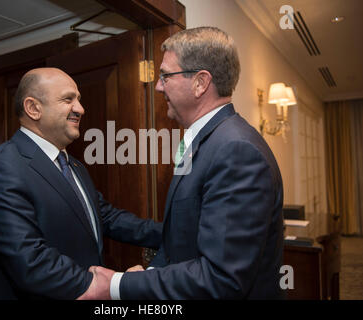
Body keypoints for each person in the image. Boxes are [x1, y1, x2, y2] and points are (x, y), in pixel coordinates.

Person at [81, 26, 285, 299]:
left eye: (165, 75)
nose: (158, 86)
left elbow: (221, 278)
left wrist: (116, 286)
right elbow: (182, 239)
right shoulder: (209, 141)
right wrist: (151, 274)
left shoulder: (236, 151)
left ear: (200, 82)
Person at [0, 67, 162, 300]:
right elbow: (29, 261)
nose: (80, 109)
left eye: (79, 100)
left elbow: (106, 217)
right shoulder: (1, 167)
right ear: (33, 108)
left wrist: (172, 233)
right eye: (67, 99)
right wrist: (111, 285)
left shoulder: (72, 165)